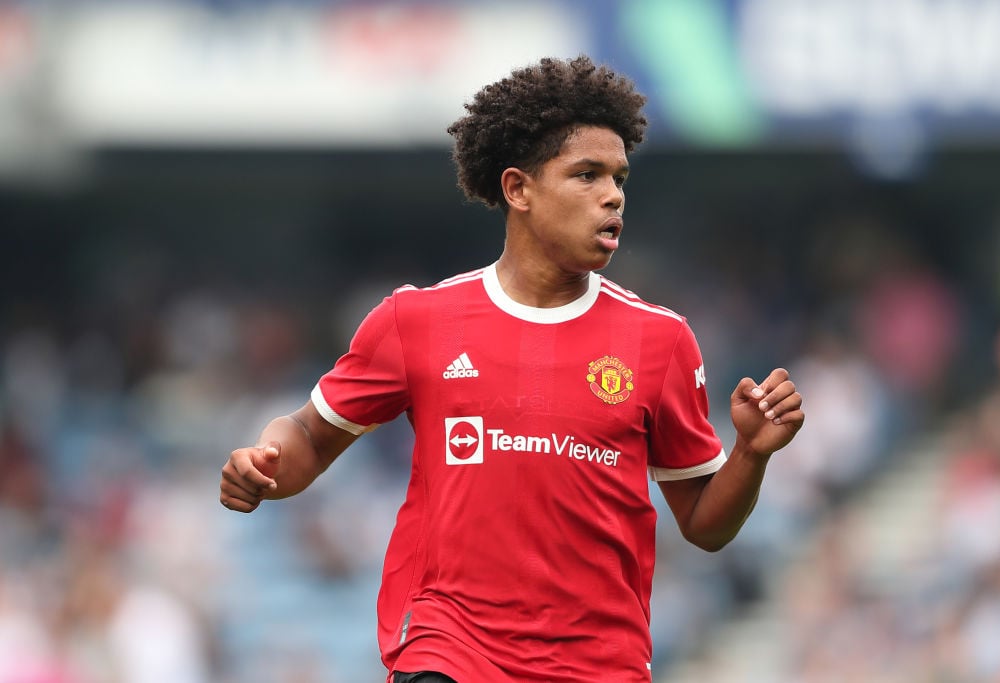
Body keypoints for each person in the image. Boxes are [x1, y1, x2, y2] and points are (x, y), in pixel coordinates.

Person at [219, 55, 804, 683]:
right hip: (449, 649)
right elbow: (309, 434)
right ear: (518, 189)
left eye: (619, 178)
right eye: (586, 174)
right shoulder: (417, 321)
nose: (612, 195)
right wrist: (266, 464)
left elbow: (703, 524)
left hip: (597, 665)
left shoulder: (660, 340)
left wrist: (751, 453)